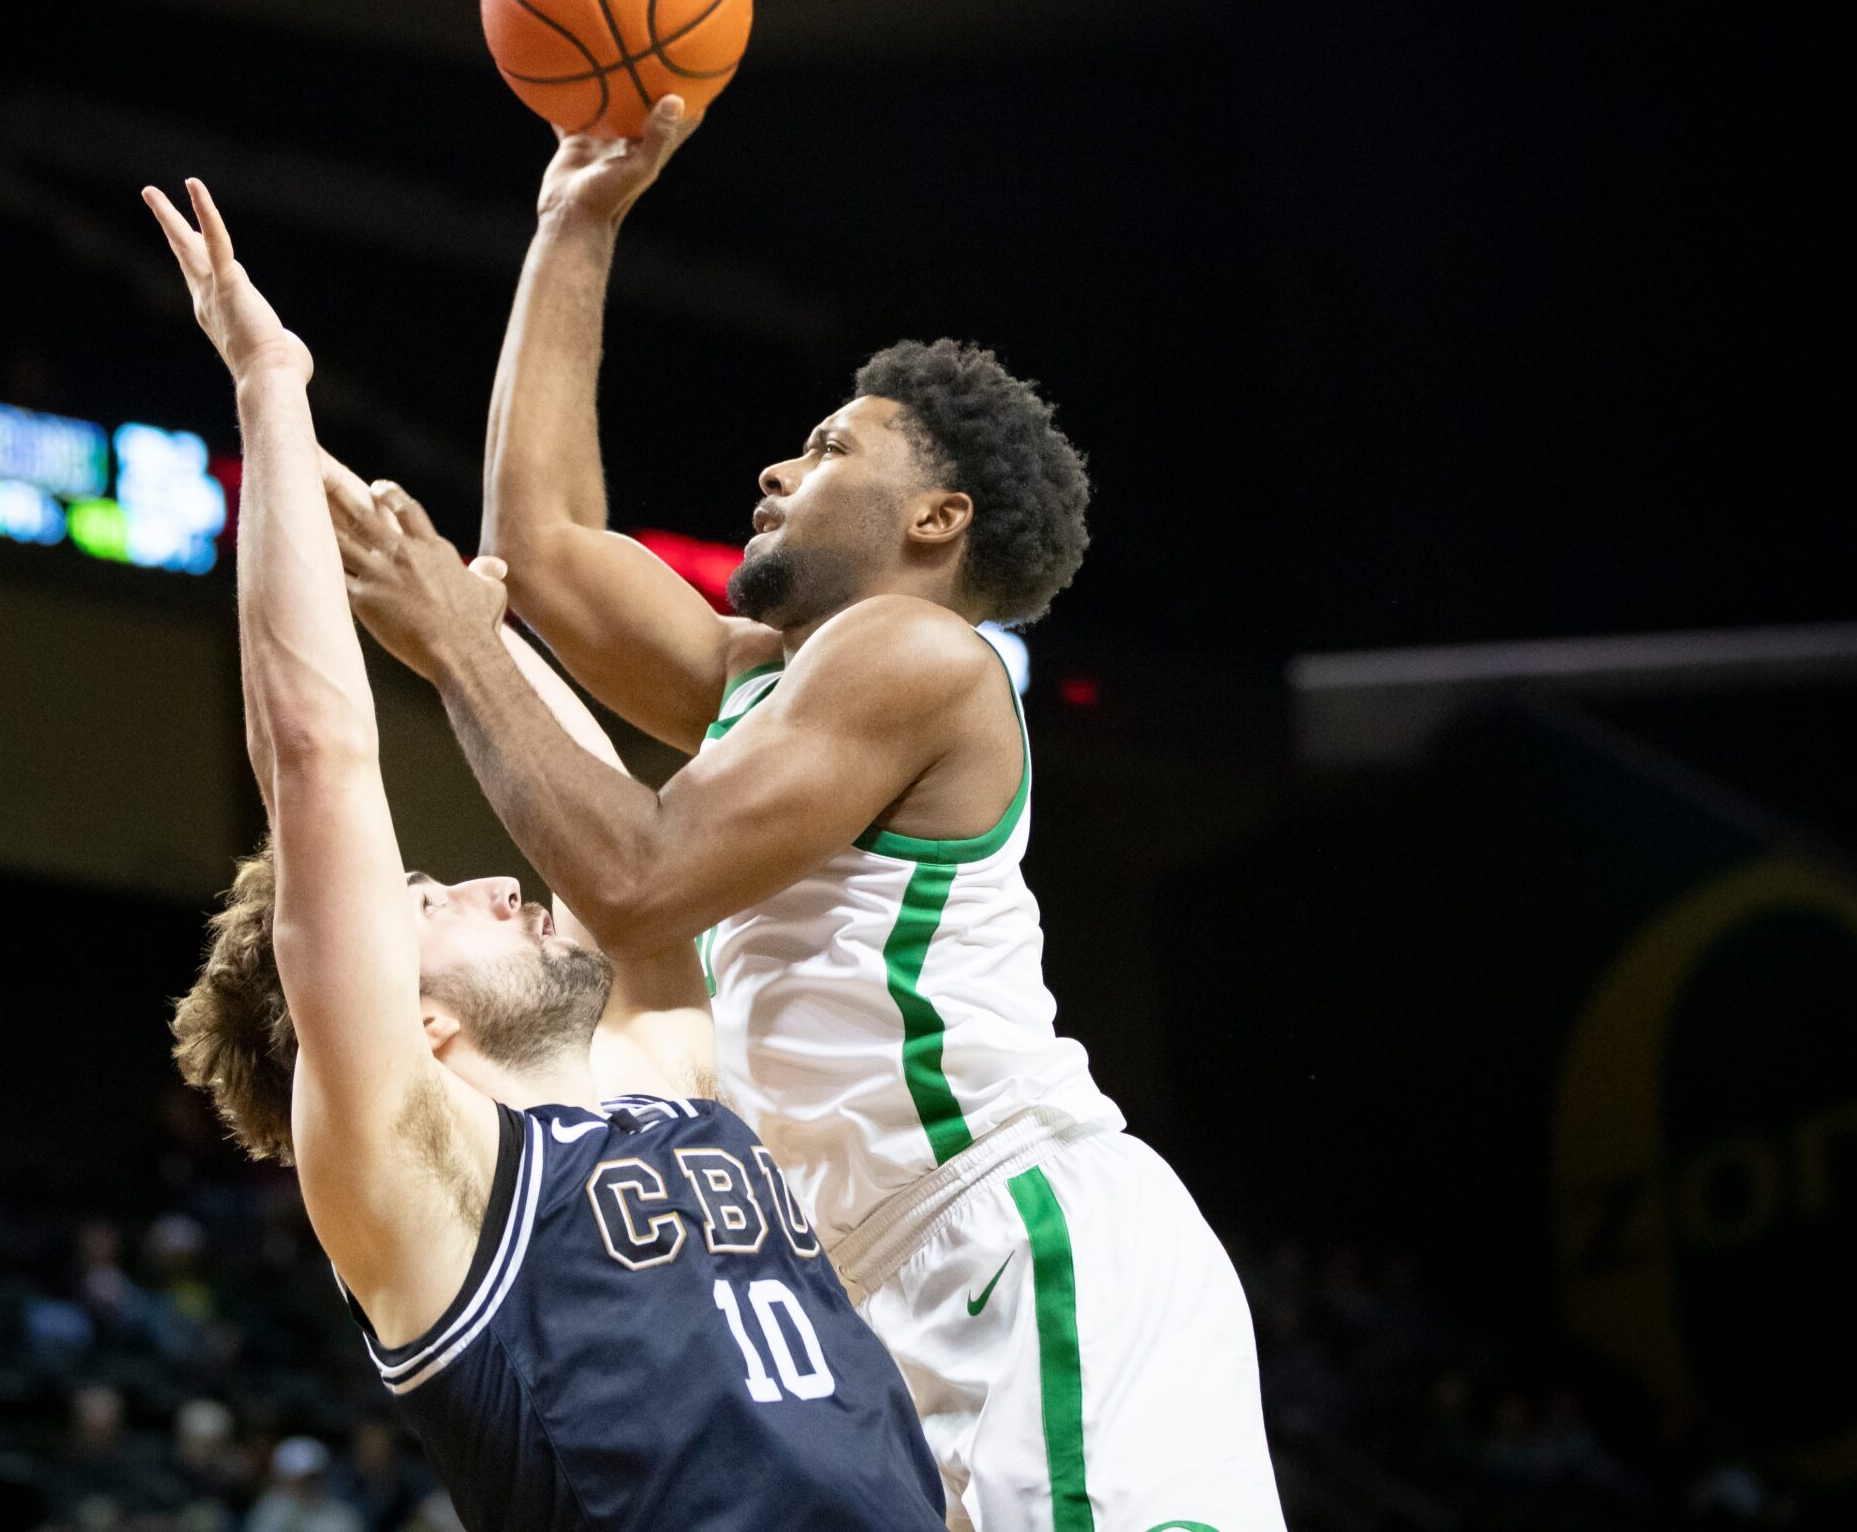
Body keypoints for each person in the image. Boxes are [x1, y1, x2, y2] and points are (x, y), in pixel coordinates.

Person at [320, 99, 1284, 1532]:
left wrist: (463, 647)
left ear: (936, 521)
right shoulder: (758, 680)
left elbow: (639, 879)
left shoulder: (913, 659)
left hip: (1014, 1237)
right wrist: (574, 222)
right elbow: (542, 551)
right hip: (862, 1284)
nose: (777, 468)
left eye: (831, 446)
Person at [144, 176, 942, 1532]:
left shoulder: (663, 1067)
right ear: (412, 1015)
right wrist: (270, 393)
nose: (494, 881)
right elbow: (318, 754)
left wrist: (476, 633)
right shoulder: (416, 1170)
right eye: (430, 899)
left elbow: (610, 844)